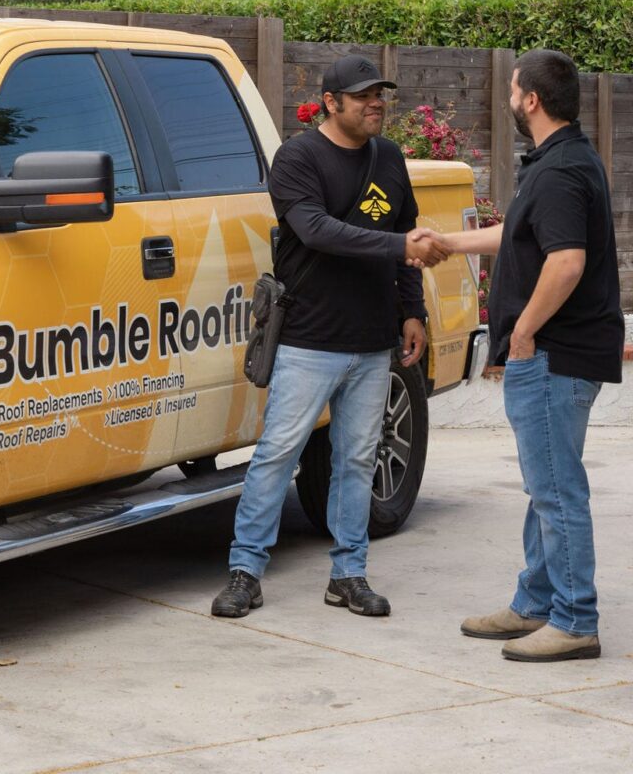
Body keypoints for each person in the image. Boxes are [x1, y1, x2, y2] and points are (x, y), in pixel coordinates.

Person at [211, 54, 449, 620]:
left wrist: (411, 310)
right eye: (364, 95)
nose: (376, 103)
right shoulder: (296, 159)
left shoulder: (389, 159)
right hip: (308, 342)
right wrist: (401, 249)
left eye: (381, 94)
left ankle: (349, 575)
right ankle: (246, 572)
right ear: (331, 102)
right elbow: (316, 231)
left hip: (372, 344)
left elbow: (401, 233)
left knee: (357, 460)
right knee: (276, 455)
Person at [416, 49, 624, 662]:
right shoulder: (561, 162)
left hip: (555, 355)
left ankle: (575, 618)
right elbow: (519, 235)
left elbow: (566, 263)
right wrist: (448, 241)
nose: (509, 98)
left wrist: (525, 333)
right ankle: (535, 603)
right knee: (546, 485)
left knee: (557, 490)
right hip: (560, 354)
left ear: (530, 100)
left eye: (512, 90)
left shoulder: (560, 172)